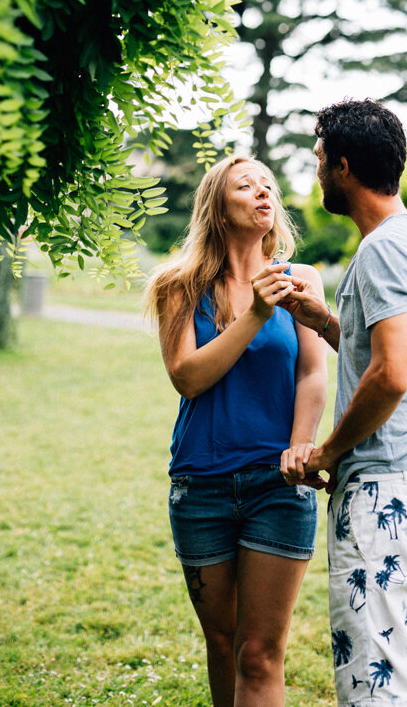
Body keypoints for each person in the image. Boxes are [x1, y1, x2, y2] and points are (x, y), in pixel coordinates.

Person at [280, 99, 407, 707]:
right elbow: (378, 352)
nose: (318, 172)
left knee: (372, 686)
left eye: (321, 160)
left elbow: (391, 374)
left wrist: (327, 450)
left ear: (346, 168)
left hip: (385, 494)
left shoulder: (381, 250)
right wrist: (324, 320)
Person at [145, 155, 328, 707]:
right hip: (200, 487)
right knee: (222, 643)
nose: (262, 192)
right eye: (245, 186)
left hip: (278, 485)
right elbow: (187, 377)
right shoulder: (179, 285)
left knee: (260, 652)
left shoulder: (302, 280)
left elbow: (313, 371)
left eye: (268, 185)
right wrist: (253, 312)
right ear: (218, 209)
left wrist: (301, 444)